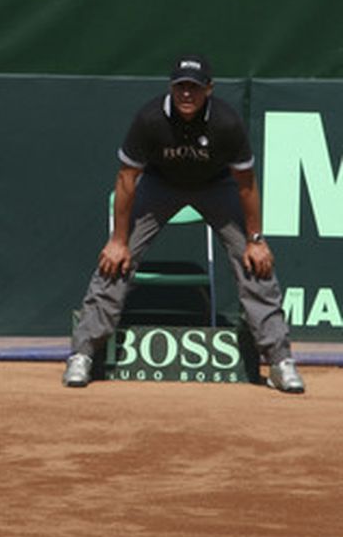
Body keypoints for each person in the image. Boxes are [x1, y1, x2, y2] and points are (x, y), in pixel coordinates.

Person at [63, 55, 305, 393]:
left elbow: (247, 185)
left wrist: (255, 238)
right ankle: (83, 354)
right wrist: (118, 240)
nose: (186, 94)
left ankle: (280, 361)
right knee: (116, 258)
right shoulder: (150, 118)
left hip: (216, 188)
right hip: (159, 186)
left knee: (255, 261)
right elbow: (127, 179)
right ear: (171, 88)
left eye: (194, 87)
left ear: (209, 89)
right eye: (180, 87)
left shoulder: (226, 123)